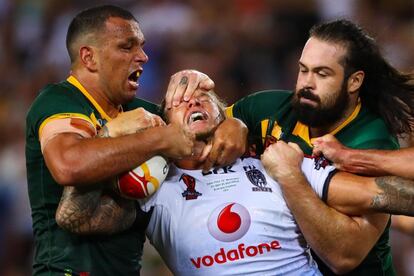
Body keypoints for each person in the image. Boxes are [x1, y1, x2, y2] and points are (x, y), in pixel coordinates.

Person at [55, 88, 414, 275]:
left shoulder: (276, 163)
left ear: (223, 114)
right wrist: (108, 136)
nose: (192, 100)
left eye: (203, 99)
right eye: (178, 102)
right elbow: (74, 217)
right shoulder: (154, 188)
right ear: (163, 124)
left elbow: (377, 194)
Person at [25, 5, 247, 275]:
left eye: (141, 47)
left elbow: (206, 122)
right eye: (126, 47)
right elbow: (69, 166)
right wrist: (138, 135)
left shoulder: (143, 112)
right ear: (89, 58)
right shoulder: (59, 100)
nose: (142, 56)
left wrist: (236, 124)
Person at [219, 19, 414, 275]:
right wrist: (227, 122)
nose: (306, 84)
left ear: (354, 82)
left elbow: (344, 255)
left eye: (322, 74)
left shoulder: (371, 141)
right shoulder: (267, 109)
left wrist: (290, 175)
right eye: (303, 70)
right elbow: (206, 127)